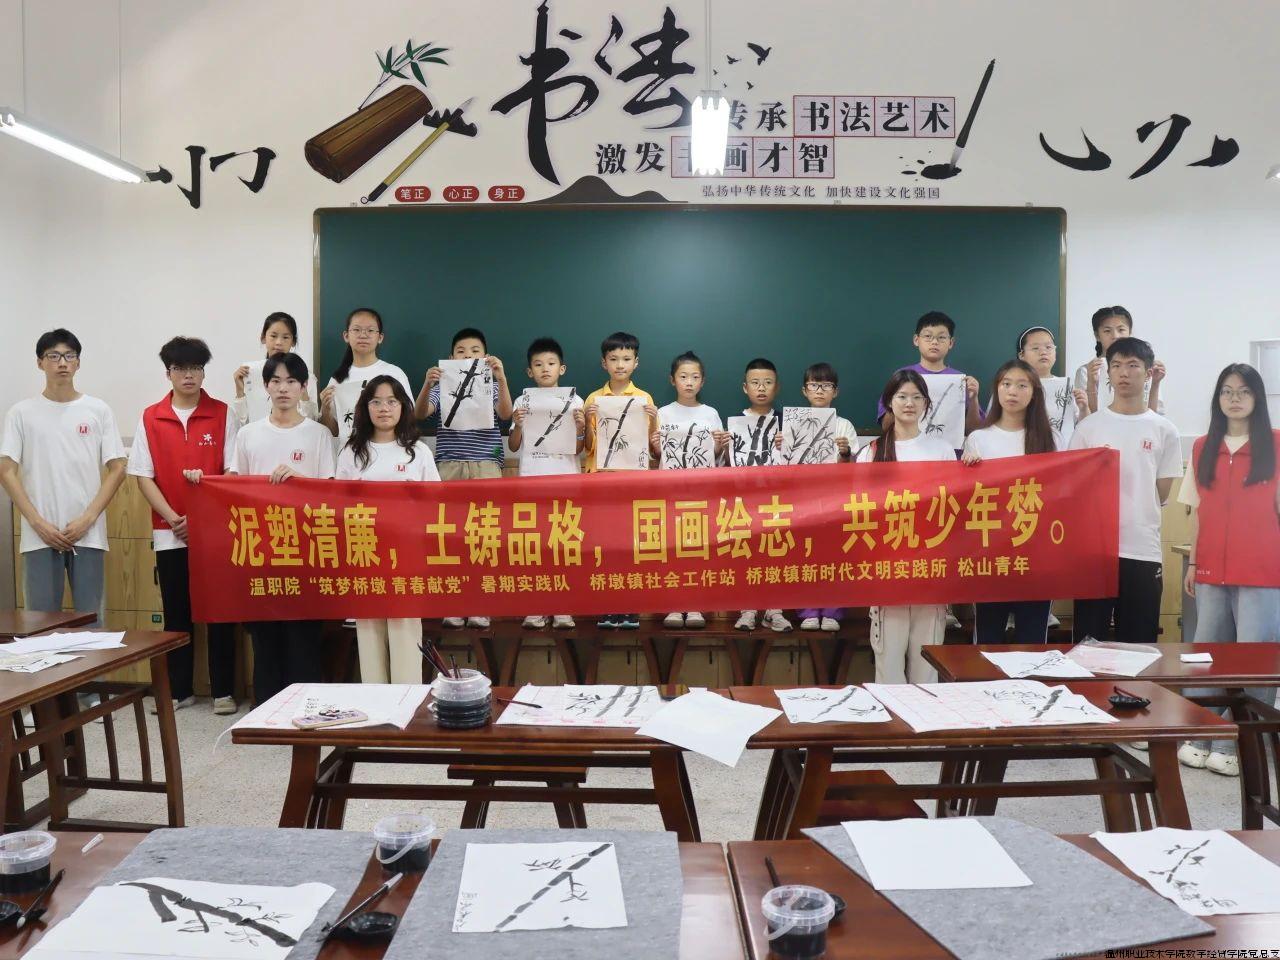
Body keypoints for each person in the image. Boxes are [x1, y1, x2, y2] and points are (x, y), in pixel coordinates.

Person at [1177, 363, 1280, 777]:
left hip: (1262, 572)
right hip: (1210, 572)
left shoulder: (1276, 444)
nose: (1234, 399)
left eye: (1243, 391)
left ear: (1257, 398)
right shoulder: (1202, 446)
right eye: (1226, 391)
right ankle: (1199, 735)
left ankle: (1236, 744)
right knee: (1208, 657)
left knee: (1254, 660)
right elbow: (1198, 511)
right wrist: (1194, 561)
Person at [129, 337, 239, 714]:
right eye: (180, 368)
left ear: (203, 372)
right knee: (176, 611)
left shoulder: (222, 413)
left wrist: (202, 518)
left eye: (195, 367)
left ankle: (223, 691)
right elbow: (143, 475)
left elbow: (232, 471)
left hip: (216, 530)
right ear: (169, 373)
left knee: (219, 611)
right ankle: (179, 690)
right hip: (168, 530)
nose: (188, 375)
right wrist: (174, 519)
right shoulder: (151, 417)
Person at [224, 352, 336, 705]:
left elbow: (331, 494)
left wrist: (300, 481)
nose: (283, 388)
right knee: (265, 637)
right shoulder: (248, 434)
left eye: (291, 381)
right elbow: (234, 488)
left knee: (304, 637)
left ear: (303, 388)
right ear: (265, 387)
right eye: (276, 381)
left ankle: (306, 708)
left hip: (307, 550)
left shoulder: (319, 435)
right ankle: (266, 711)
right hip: (261, 550)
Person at [1, 329, 126, 626]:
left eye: (70, 356)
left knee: (92, 625)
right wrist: (38, 523)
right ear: (40, 363)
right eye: (54, 356)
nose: (62, 363)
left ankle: (93, 665)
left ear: (78, 363)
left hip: (88, 533)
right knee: (39, 625)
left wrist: (88, 519)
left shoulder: (97, 410)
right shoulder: (21, 412)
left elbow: (119, 467)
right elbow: (6, 469)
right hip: (39, 535)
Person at [1069, 338, 1182, 645]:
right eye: (1116, 365)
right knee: (1088, 645)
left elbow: (1162, 492)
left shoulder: (1164, 429)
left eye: (1133, 365)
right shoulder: (1088, 428)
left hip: (1142, 549)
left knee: (1138, 644)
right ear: (1108, 372)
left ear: (1148, 373)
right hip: (1095, 550)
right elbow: (1075, 488)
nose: (1123, 373)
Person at [336, 376, 438, 684]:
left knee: (405, 632)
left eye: (392, 401)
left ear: (403, 407)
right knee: (370, 635)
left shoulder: (418, 451)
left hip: (406, 556)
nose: (384, 408)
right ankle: (375, 701)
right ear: (365, 408)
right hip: (365, 553)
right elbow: (338, 506)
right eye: (376, 402)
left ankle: (407, 701)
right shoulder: (352, 452)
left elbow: (436, 504)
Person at [858, 370, 956, 682]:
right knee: (888, 668)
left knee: (927, 669)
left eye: (916, 397)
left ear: (926, 403)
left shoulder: (941, 450)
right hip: (888, 571)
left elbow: (953, 508)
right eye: (902, 396)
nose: (909, 403)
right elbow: (860, 513)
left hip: (930, 570)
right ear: (889, 402)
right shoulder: (871, 452)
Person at [413, 326, 514, 630]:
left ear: (486, 356)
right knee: (451, 538)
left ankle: (480, 605)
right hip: (449, 464)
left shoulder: (490, 383)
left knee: (486, 536)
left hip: (486, 464)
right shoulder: (443, 383)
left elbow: (506, 414)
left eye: (475, 351)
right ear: (450, 357)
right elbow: (419, 414)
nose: (468, 355)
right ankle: (454, 604)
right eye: (461, 351)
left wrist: (501, 378)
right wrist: (426, 384)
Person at [962, 359, 1063, 644]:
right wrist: (967, 470)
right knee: (987, 640)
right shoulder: (979, 439)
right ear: (997, 389)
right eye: (1006, 384)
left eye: (1021, 385)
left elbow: (1063, 491)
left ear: (1034, 392)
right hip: (992, 555)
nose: (1012, 391)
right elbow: (967, 501)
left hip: (1036, 555)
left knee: (1033, 641)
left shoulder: (1050, 438)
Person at [583, 331, 659, 630]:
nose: (620, 365)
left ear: (636, 362)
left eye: (626, 359)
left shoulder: (644, 399)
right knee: (603, 547)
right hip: (600, 481)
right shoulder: (594, 399)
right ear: (604, 363)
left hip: (632, 483)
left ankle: (629, 608)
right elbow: (589, 446)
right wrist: (586, 420)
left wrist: (653, 419)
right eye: (613, 359)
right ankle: (606, 607)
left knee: (629, 547)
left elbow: (651, 446)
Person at [509, 337, 585, 630]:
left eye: (551, 363)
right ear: (530, 372)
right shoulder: (522, 402)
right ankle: (536, 607)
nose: (545, 369)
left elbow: (578, 448)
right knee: (536, 547)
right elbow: (513, 445)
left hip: (566, 481)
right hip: (532, 481)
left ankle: (563, 608)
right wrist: (517, 423)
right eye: (538, 364)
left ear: (561, 368)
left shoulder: (575, 401)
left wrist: (580, 428)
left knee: (564, 546)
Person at [654, 351, 727, 630]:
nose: (689, 382)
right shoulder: (662, 413)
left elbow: (717, 456)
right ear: (672, 380)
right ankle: (674, 604)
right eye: (683, 376)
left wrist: (719, 445)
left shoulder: (711, 413)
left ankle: (695, 604)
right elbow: (657, 455)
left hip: (701, 493)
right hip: (671, 492)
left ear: (702, 381)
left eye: (695, 377)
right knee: (672, 549)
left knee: (698, 548)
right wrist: (656, 446)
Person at [796, 362, 857, 632]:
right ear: (805, 390)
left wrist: (844, 453)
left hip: (835, 502)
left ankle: (832, 611)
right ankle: (808, 610)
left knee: (835, 556)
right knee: (806, 555)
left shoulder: (844, 426)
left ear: (836, 391)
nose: (820, 390)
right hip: (803, 501)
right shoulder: (794, 423)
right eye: (814, 385)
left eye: (826, 385)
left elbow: (852, 470)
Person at [734, 358, 793, 634]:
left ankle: (774, 610)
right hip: (745, 499)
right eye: (755, 383)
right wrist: (723, 447)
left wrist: (787, 444)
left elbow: (798, 463)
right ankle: (747, 609)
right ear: (745, 387)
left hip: (778, 499)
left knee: (776, 552)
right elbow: (724, 466)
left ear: (776, 387)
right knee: (747, 553)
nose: (761, 388)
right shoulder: (735, 422)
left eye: (767, 382)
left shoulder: (787, 422)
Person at [319, 307, 413, 452]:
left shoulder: (394, 373)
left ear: (380, 337)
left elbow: (408, 417)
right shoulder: (337, 379)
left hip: (388, 453)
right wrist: (325, 410)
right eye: (356, 330)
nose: (363, 335)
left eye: (370, 330)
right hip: (349, 456)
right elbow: (334, 431)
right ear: (346, 336)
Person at [876, 311, 982, 435]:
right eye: (928, 336)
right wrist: (896, 399)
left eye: (941, 337)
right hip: (909, 446)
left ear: (951, 343)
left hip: (950, 447)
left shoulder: (961, 381)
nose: (934, 342)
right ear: (916, 340)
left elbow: (973, 431)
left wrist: (974, 399)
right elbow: (886, 427)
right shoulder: (902, 377)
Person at [1072, 306, 1166, 417]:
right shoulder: (1087, 371)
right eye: (1107, 331)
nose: (1115, 336)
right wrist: (1091, 384)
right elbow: (1085, 418)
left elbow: (1155, 416)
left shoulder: (1144, 367)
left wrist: (1155, 383)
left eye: (1121, 330)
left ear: (1129, 332)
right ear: (1097, 336)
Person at [232, 312, 319, 424]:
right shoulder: (248, 372)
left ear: (293, 341)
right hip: (259, 434)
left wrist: (302, 388)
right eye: (273, 336)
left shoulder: (307, 376)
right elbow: (242, 423)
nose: (279, 342)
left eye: (285, 337)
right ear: (263, 338)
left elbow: (311, 422)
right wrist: (239, 391)